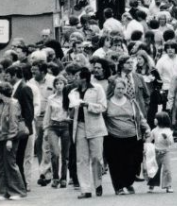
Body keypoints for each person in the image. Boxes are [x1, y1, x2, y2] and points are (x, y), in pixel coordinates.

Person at [103, 77, 149, 195]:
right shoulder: (107, 103)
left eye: (123, 88)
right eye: (118, 88)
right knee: (116, 163)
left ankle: (128, 182)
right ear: (113, 88)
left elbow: (140, 117)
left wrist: (147, 128)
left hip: (132, 136)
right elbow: (102, 119)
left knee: (134, 162)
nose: (121, 91)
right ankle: (118, 187)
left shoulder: (132, 102)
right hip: (113, 137)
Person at [69, 67, 107, 199]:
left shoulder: (97, 88)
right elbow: (71, 109)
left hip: (95, 125)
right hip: (79, 126)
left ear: (83, 78)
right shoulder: (74, 92)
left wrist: (87, 105)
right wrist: (72, 109)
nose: (74, 79)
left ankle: (98, 183)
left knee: (96, 157)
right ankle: (85, 188)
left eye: (76, 76)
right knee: (81, 159)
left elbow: (103, 106)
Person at [0, 82, 27, 200]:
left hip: (9, 138)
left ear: (1, 92)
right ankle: (4, 191)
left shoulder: (13, 104)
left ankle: (17, 191)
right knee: (3, 165)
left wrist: (10, 139)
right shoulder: (2, 104)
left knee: (10, 164)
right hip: (2, 137)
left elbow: (13, 123)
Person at [43, 75, 70, 189]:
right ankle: (55, 177)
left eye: (61, 83)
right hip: (53, 126)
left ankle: (64, 178)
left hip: (65, 126)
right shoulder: (51, 98)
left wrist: (70, 119)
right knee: (55, 153)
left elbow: (71, 111)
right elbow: (47, 114)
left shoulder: (68, 98)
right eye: (57, 84)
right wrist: (45, 129)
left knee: (65, 154)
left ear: (64, 85)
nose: (59, 86)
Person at [148, 112, 174, 193]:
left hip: (166, 152)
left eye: (157, 118)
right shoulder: (154, 130)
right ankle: (151, 185)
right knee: (154, 169)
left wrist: (166, 138)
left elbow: (171, 143)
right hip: (156, 152)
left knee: (167, 169)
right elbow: (149, 139)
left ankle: (168, 185)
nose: (154, 120)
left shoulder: (168, 131)